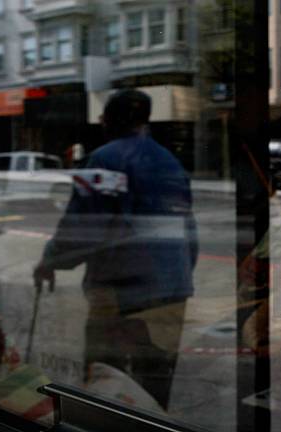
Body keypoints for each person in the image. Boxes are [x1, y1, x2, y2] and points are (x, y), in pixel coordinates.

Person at [33, 89, 198, 409]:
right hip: (172, 291)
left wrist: (49, 261)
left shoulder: (105, 160)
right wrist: (176, 279)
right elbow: (187, 231)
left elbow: (82, 226)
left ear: (110, 120)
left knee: (107, 381)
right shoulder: (170, 162)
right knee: (154, 385)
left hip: (124, 294)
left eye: (103, 117)